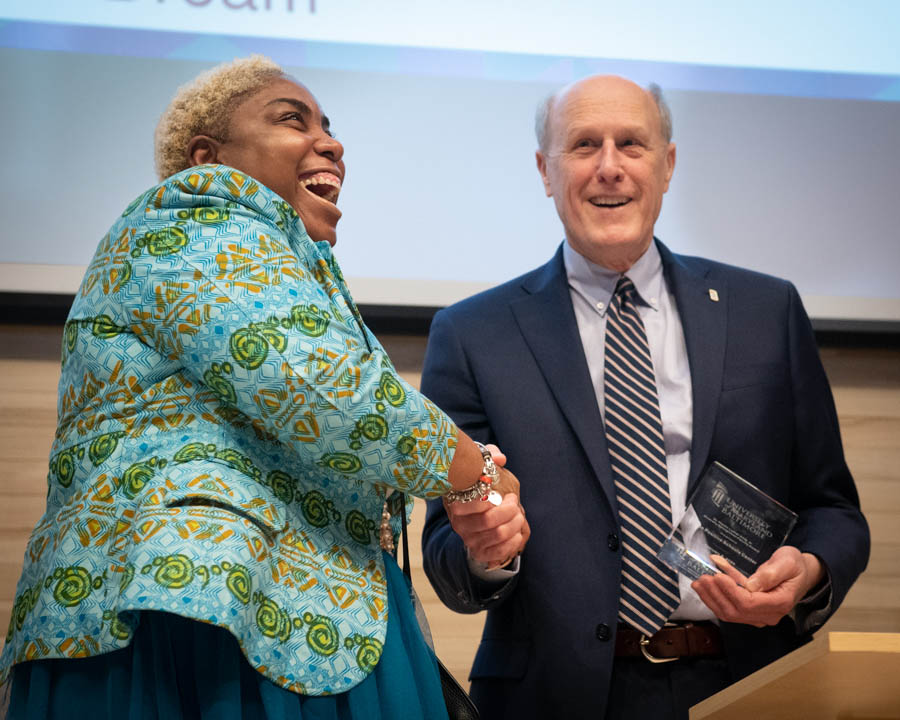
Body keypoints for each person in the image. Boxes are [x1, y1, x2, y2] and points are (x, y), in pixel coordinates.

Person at [0, 55, 528, 719]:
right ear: (207, 159)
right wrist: (475, 474)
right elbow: (326, 389)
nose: (330, 143)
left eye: (330, 128)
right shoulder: (192, 221)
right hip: (199, 613)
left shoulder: (277, 258)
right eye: (291, 120)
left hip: (279, 619)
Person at [420, 75, 870, 719]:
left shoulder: (765, 311)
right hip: (553, 697)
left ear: (668, 165)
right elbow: (447, 549)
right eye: (583, 145)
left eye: (631, 143)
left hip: (748, 683)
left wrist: (810, 570)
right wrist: (485, 551)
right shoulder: (470, 335)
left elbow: (834, 509)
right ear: (546, 171)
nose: (609, 167)